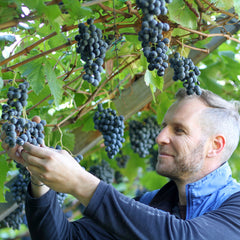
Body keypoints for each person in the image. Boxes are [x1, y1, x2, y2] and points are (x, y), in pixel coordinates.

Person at [2, 88, 240, 240]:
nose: (160, 138)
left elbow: (183, 236)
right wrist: (38, 173)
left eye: (179, 130)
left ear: (216, 146)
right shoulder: (152, 204)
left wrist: (81, 183)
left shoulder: (236, 206)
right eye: (163, 126)